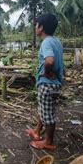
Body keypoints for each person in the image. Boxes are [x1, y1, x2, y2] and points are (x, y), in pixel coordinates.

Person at [25, 13, 64, 150]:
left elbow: (49, 60)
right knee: (44, 110)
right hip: (54, 84)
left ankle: (48, 142)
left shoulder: (46, 42)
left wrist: (47, 72)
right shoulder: (56, 41)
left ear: (41, 28)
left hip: (47, 84)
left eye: (36, 25)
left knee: (48, 115)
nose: (35, 27)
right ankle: (36, 131)